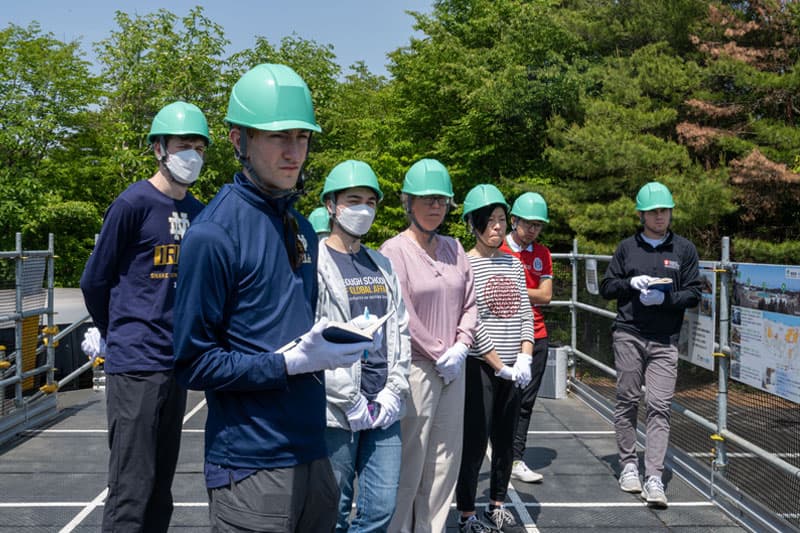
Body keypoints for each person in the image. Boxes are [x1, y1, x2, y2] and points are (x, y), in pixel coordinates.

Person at [172, 64, 376, 532]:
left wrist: (335, 343)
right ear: (238, 140)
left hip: (313, 451)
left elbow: (293, 329)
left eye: (302, 137)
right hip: (250, 464)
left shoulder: (301, 226)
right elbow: (192, 363)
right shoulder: (213, 234)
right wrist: (285, 365)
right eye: (277, 136)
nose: (294, 151)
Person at [79, 100, 211, 532]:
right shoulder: (132, 203)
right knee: (131, 488)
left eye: (198, 146)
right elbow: (94, 281)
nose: (191, 154)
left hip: (175, 363)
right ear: (159, 148)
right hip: (136, 362)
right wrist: (115, 330)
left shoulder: (197, 211)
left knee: (160, 488)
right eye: (182, 144)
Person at [381, 158, 478, 533]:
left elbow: (470, 303)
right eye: (426, 199)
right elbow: (400, 310)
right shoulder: (394, 251)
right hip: (417, 368)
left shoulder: (455, 248)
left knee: (444, 461)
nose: (435, 206)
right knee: (412, 459)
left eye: (441, 199)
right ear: (409, 202)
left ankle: (431, 529)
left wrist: (462, 346)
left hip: (455, 368)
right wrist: (440, 352)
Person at [317, 159, 411, 532]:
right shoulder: (316, 263)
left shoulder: (382, 265)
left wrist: (393, 391)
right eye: (354, 200)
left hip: (383, 408)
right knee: (332, 509)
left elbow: (400, 332)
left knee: (380, 509)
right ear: (331, 205)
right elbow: (313, 338)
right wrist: (347, 398)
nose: (363, 209)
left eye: (371, 202)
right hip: (337, 411)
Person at [599, 181, 702, 508]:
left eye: (665, 210)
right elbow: (606, 287)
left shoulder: (684, 250)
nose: (660, 216)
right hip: (629, 332)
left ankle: (654, 475)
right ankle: (628, 464)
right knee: (627, 398)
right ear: (642, 214)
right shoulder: (627, 248)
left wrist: (667, 298)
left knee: (659, 404)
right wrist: (630, 283)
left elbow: (695, 293)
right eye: (654, 211)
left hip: (664, 339)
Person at [455, 184, 534, 532]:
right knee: (474, 442)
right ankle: (467, 513)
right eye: (489, 221)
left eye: (502, 220)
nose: (497, 227)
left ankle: (497, 503)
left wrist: (525, 357)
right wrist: (498, 365)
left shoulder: (514, 265)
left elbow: (524, 314)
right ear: (473, 225)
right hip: (480, 366)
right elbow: (472, 321)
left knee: (505, 439)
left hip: (514, 367)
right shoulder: (465, 264)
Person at [499, 192, 553, 484]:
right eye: (528, 223)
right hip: (502, 335)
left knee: (525, 401)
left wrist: (511, 287)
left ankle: (515, 458)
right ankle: (499, 456)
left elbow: (546, 296)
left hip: (536, 333)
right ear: (514, 220)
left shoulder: (542, 254)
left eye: (538, 225)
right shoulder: (496, 248)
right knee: (499, 400)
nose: (533, 229)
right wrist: (524, 291)